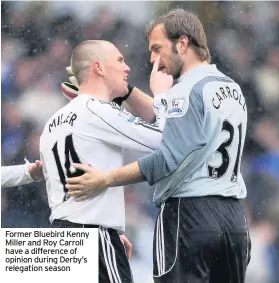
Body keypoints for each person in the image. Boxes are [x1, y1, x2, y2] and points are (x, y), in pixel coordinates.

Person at [66, 9, 251, 283]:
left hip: (190, 216)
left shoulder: (182, 93)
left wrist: (106, 179)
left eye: (157, 49)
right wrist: (128, 93)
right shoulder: (231, 88)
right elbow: (176, 122)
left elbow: (167, 157)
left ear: (183, 43)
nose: (154, 59)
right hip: (234, 221)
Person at [40, 40, 169, 283]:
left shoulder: (52, 123)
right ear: (98, 67)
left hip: (60, 240)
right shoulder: (99, 110)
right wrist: (161, 95)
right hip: (94, 238)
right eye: (120, 60)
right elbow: (164, 140)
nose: (127, 68)